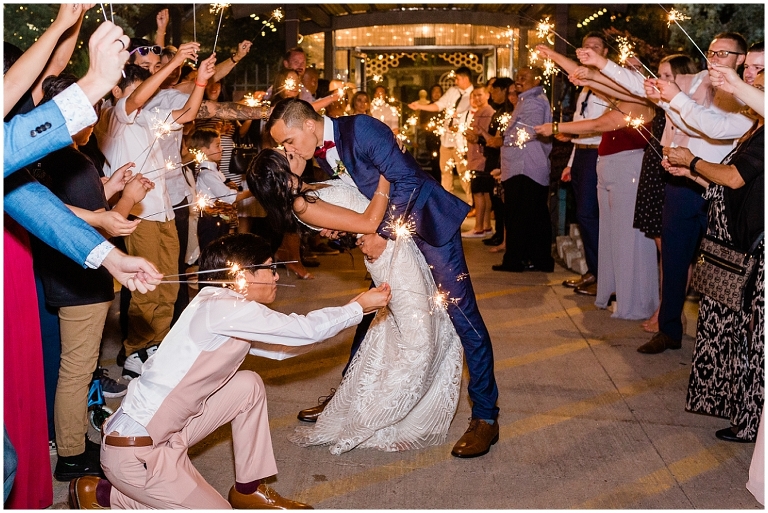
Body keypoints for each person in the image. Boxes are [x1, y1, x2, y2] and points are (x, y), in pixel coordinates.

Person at [67, 232, 391, 509]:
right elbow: (303, 330)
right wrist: (357, 307)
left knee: (247, 385)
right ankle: (103, 493)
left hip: (165, 434)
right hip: (137, 455)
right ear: (241, 275)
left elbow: (280, 349)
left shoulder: (218, 303)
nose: (277, 277)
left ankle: (248, 489)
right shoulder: (225, 307)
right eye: (269, 269)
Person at [267, 98, 500, 458]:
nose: (287, 149)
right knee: (374, 313)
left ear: (309, 126)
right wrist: (341, 231)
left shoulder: (361, 128)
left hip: (427, 225)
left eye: (288, 141)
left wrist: (382, 233)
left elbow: (405, 178)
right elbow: (355, 194)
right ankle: (349, 398)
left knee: (463, 314)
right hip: (389, 245)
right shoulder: (316, 151)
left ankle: (485, 417)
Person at [249, 148, 463, 454]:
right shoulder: (302, 206)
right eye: (285, 152)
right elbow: (368, 221)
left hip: (397, 250)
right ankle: (383, 418)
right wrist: (385, 175)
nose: (292, 149)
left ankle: (394, 410)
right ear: (282, 173)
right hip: (390, 259)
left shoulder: (308, 191)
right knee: (418, 339)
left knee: (411, 332)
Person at [578, 32, 752, 351]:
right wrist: (602, 62)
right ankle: (668, 328)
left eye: (723, 54)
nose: (714, 59)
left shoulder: (749, 99)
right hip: (682, 183)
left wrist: (675, 98)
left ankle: (718, 343)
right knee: (671, 259)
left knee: (717, 270)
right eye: (711, 52)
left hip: (719, 189)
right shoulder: (698, 80)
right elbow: (640, 87)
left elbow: (710, 127)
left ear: (740, 60)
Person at [663, 69, 764, 445]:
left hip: (751, 246)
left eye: (760, 74)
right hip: (729, 240)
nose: (752, 79)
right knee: (729, 330)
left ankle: (753, 420)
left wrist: (692, 162)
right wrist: (693, 175)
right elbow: (728, 187)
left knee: (752, 336)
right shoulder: (752, 129)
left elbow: (736, 178)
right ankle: (739, 410)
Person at [535, 54, 658, 319]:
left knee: (628, 238)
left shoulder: (641, 101)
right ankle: (613, 291)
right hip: (610, 170)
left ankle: (635, 300)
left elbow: (599, 124)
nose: (625, 73)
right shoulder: (620, 98)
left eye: (634, 70)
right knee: (611, 234)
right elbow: (585, 75)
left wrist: (556, 126)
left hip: (629, 172)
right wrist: (552, 55)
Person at [556, 32, 610, 296]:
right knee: (583, 215)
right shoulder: (584, 87)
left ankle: (603, 276)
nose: (589, 50)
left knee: (590, 215)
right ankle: (593, 270)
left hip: (599, 154)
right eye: (585, 46)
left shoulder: (608, 84)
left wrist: (567, 130)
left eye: (596, 47)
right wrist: (570, 162)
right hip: (582, 154)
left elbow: (599, 126)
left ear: (605, 54)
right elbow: (581, 126)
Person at [493, 67, 554, 273]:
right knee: (534, 216)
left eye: (524, 77)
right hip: (526, 165)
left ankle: (516, 259)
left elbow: (529, 130)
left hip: (524, 167)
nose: (518, 80)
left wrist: (504, 139)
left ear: (537, 80)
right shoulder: (528, 99)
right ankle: (536, 258)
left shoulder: (534, 100)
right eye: (518, 76)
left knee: (519, 216)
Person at [409, 67, 474, 195]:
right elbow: (439, 105)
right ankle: (447, 201)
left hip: (461, 140)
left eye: (458, 79)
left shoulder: (474, 94)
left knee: (464, 172)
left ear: (465, 78)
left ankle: (472, 203)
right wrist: (420, 106)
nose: (456, 82)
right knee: (445, 171)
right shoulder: (453, 91)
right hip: (446, 138)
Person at [189, 127, 250, 251]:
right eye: (217, 145)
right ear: (204, 150)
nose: (222, 149)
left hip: (219, 220)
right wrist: (252, 191)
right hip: (211, 222)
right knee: (212, 253)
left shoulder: (214, 171)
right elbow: (229, 197)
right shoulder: (207, 174)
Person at [462, 86, 496, 237]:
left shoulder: (487, 112)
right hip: (478, 157)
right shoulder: (481, 112)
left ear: (488, 95)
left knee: (479, 193)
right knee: (485, 193)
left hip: (480, 158)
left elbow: (484, 136)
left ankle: (479, 227)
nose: (476, 98)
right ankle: (486, 225)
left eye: (480, 95)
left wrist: (473, 136)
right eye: (474, 96)